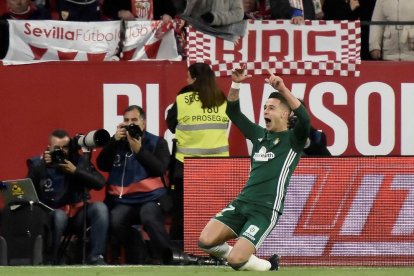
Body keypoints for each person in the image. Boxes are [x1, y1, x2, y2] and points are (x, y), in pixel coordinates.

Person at [197, 68, 310, 271]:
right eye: (265, 107)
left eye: (272, 108)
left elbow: (305, 119)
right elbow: (232, 112)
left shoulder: (294, 140)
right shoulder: (258, 135)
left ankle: (269, 265)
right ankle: (241, 254)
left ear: (285, 114)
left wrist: (283, 89)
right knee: (205, 241)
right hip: (242, 203)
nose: (265, 111)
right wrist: (236, 84)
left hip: (265, 210)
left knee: (236, 262)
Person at [97, 105, 180, 264]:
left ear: (143, 123)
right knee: (115, 220)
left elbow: (160, 168)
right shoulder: (118, 143)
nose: (130, 124)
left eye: (134, 120)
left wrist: (139, 150)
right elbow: (102, 164)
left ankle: (168, 257)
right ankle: (137, 252)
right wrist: (113, 142)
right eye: (126, 120)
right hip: (125, 201)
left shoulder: (157, 142)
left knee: (148, 216)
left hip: (153, 198)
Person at [166, 62, 230, 243]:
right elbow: (224, 126)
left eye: (188, 76)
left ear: (193, 78)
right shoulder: (221, 99)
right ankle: (216, 251)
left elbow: (171, 124)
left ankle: (180, 253)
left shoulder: (184, 97)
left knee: (183, 214)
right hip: (217, 167)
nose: (186, 80)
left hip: (186, 166)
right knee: (213, 212)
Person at [27, 129, 109, 265]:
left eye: (65, 147)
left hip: (78, 216)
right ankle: (51, 259)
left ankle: (95, 257)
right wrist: (43, 165)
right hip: (52, 215)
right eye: (57, 148)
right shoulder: (40, 165)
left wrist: (75, 171)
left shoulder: (77, 161)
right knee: (59, 216)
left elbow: (100, 183)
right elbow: (29, 192)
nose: (61, 151)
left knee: (100, 208)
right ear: (49, 148)